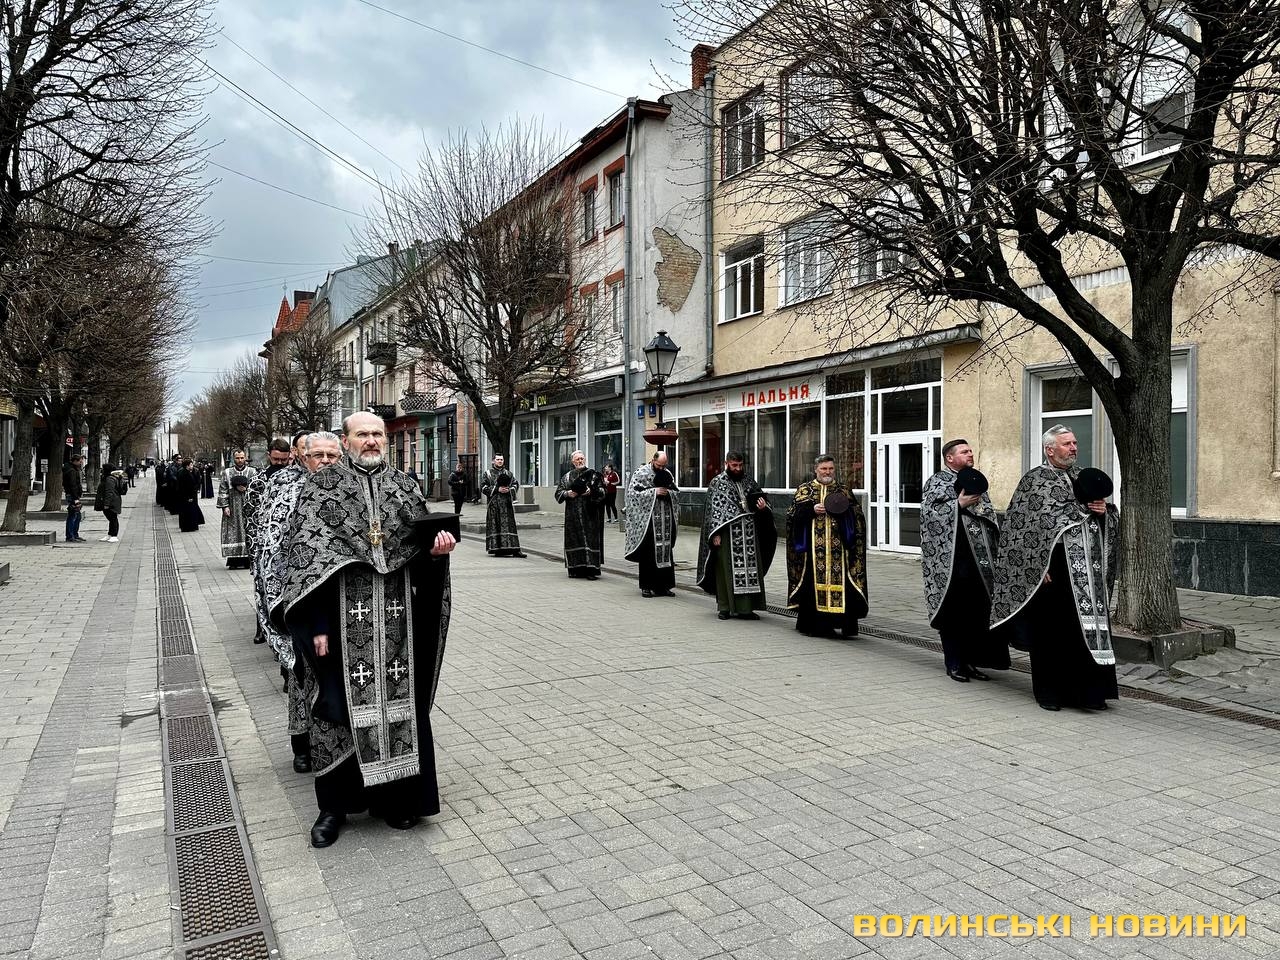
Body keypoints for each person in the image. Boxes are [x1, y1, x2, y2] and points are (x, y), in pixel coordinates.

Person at [278, 413, 456, 848]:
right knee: (334, 708)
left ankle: (396, 799)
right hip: (339, 620)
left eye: (378, 434)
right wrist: (317, 627)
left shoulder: (404, 487)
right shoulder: (321, 487)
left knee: (399, 705)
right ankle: (334, 807)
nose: (372, 440)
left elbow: (419, 553)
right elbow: (306, 562)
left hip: (397, 622)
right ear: (347, 440)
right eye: (363, 434)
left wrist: (436, 554)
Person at [991, 426, 1119, 712]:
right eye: (1066, 444)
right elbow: (1018, 529)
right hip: (1052, 567)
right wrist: (1035, 566)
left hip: (1086, 569)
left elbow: (1103, 517)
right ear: (1050, 449)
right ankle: (1049, 694)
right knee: (1050, 634)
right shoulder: (1034, 481)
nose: (1073, 448)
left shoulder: (1083, 476)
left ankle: (1088, 694)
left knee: (1083, 632)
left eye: (1074, 442)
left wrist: (1103, 513)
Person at [262, 432, 342, 774]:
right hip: (299, 601)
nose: (325, 461)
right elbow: (271, 551)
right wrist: (282, 605)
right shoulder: (287, 491)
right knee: (302, 673)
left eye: (331, 456)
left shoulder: (346, 488)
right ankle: (303, 743)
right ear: (303, 457)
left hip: (340, 599)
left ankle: (339, 743)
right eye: (318, 455)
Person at [920, 440, 1009, 683]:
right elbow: (929, 516)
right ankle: (954, 663)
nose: (970, 454)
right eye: (964, 451)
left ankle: (971, 662)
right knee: (953, 614)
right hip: (951, 562)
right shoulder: (937, 481)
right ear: (949, 458)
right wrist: (958, 505)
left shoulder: (976, 480)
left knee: (976, 613)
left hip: (979, 562)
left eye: (970, 451)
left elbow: (988, 515)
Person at [785, 454, 868, 638]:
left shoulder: (843, 490)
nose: (827, 472)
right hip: (813, 552)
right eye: (824, 469)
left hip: (840, 551)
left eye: (830, 468)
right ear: (816, 470)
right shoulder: (805, 489)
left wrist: (845, 513)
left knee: (844, 585)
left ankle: (842, 624)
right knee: (812, 587)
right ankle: (817, 626)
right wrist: (811, 509)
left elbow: (857, 516)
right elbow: (791, 515)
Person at [696, 451, 776, 620]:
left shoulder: (748, 480)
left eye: (740, 465)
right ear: (726, 464)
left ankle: (747, 609)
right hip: (727, 534)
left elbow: (762, 501)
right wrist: (715, 534)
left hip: (749, 535)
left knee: (750, 571)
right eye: (734, 465)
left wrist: (763, 506)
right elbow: (713, 512)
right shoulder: (718, 482)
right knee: (725, 570)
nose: (738, 469)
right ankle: (725, 608)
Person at [623, 451, 679, 598]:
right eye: (659, 465)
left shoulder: (667, 473)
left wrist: (669, 493)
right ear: (653, 460)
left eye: (664, 465)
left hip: (665, 521)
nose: (661, 468)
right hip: (647, 521)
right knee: (648, 553)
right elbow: (632, 495)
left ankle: (664, 587)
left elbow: (676, 493)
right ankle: (646, 586)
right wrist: (654, 492)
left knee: (665, 552)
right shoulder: (641, 473)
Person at [554, 450, 606, 579]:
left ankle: (591, 570)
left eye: (582, 458)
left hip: (590, 514)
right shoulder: (566, 477)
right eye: (577, 459)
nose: (580, 461)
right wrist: (567, 493)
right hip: (573, 516)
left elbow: (603, 491)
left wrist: (592, 491)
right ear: (573, 461)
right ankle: (575, 569)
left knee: (590, 541)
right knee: (574, 540)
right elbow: (558, 493)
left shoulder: (593, 475)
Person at [217, 450, 258, 569]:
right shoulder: (227, 472)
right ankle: (234, 561)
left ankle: (247, 560)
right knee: (233, 532)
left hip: (248, 508)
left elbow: (258, 488)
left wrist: (247, 489)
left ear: (245, 458)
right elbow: (223, 489)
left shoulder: (252, 472)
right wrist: (225, 506)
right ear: (233, 459)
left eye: (242, 458)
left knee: (248, 531)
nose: (240, 460)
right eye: (237, 458)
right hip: (233, 507)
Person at [480, 454, 526, 558]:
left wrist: (510, 489)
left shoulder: (508, 473)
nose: (500, 461)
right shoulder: (488, 473)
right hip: (494, 505)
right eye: (498, 459)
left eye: (501, 459)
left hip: (507, 505)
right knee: (495, 526)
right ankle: (498, 549)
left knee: (510, 526)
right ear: (493, 461)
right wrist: (497, 489)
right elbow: (483, 487)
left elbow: (515, 484)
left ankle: (515, 550)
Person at [94, 463, 127, 543]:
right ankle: (110, 534)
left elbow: (109, 492)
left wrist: (107, 504)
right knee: (111, 518)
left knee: (113, 518)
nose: (102, 471)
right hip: (113, 501)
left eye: (103, 469)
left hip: (112, 502)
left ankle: (114, 535)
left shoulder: (110, 479)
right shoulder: (112, 478)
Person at [62, 454, 86, 543]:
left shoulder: (72, 469)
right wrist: (76, 498)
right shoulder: (71, 471)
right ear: (75, 461)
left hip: (73, 495)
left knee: (77, 515)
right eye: (80, 461)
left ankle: (74, 534)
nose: (81, 463)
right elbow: (73, 485)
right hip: (72, 495)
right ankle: (70, 536)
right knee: (73, 515)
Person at [176, 459, 206, 532]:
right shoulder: (184, 473)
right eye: (191, 465)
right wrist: (188, 497)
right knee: (187, 512)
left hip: (189, 495)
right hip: (187, 496)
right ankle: (187, 527)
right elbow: (184, 487)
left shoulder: (187, 472)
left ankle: (191, 526)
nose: (192, 466)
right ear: (187, 466)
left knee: (190, 511)